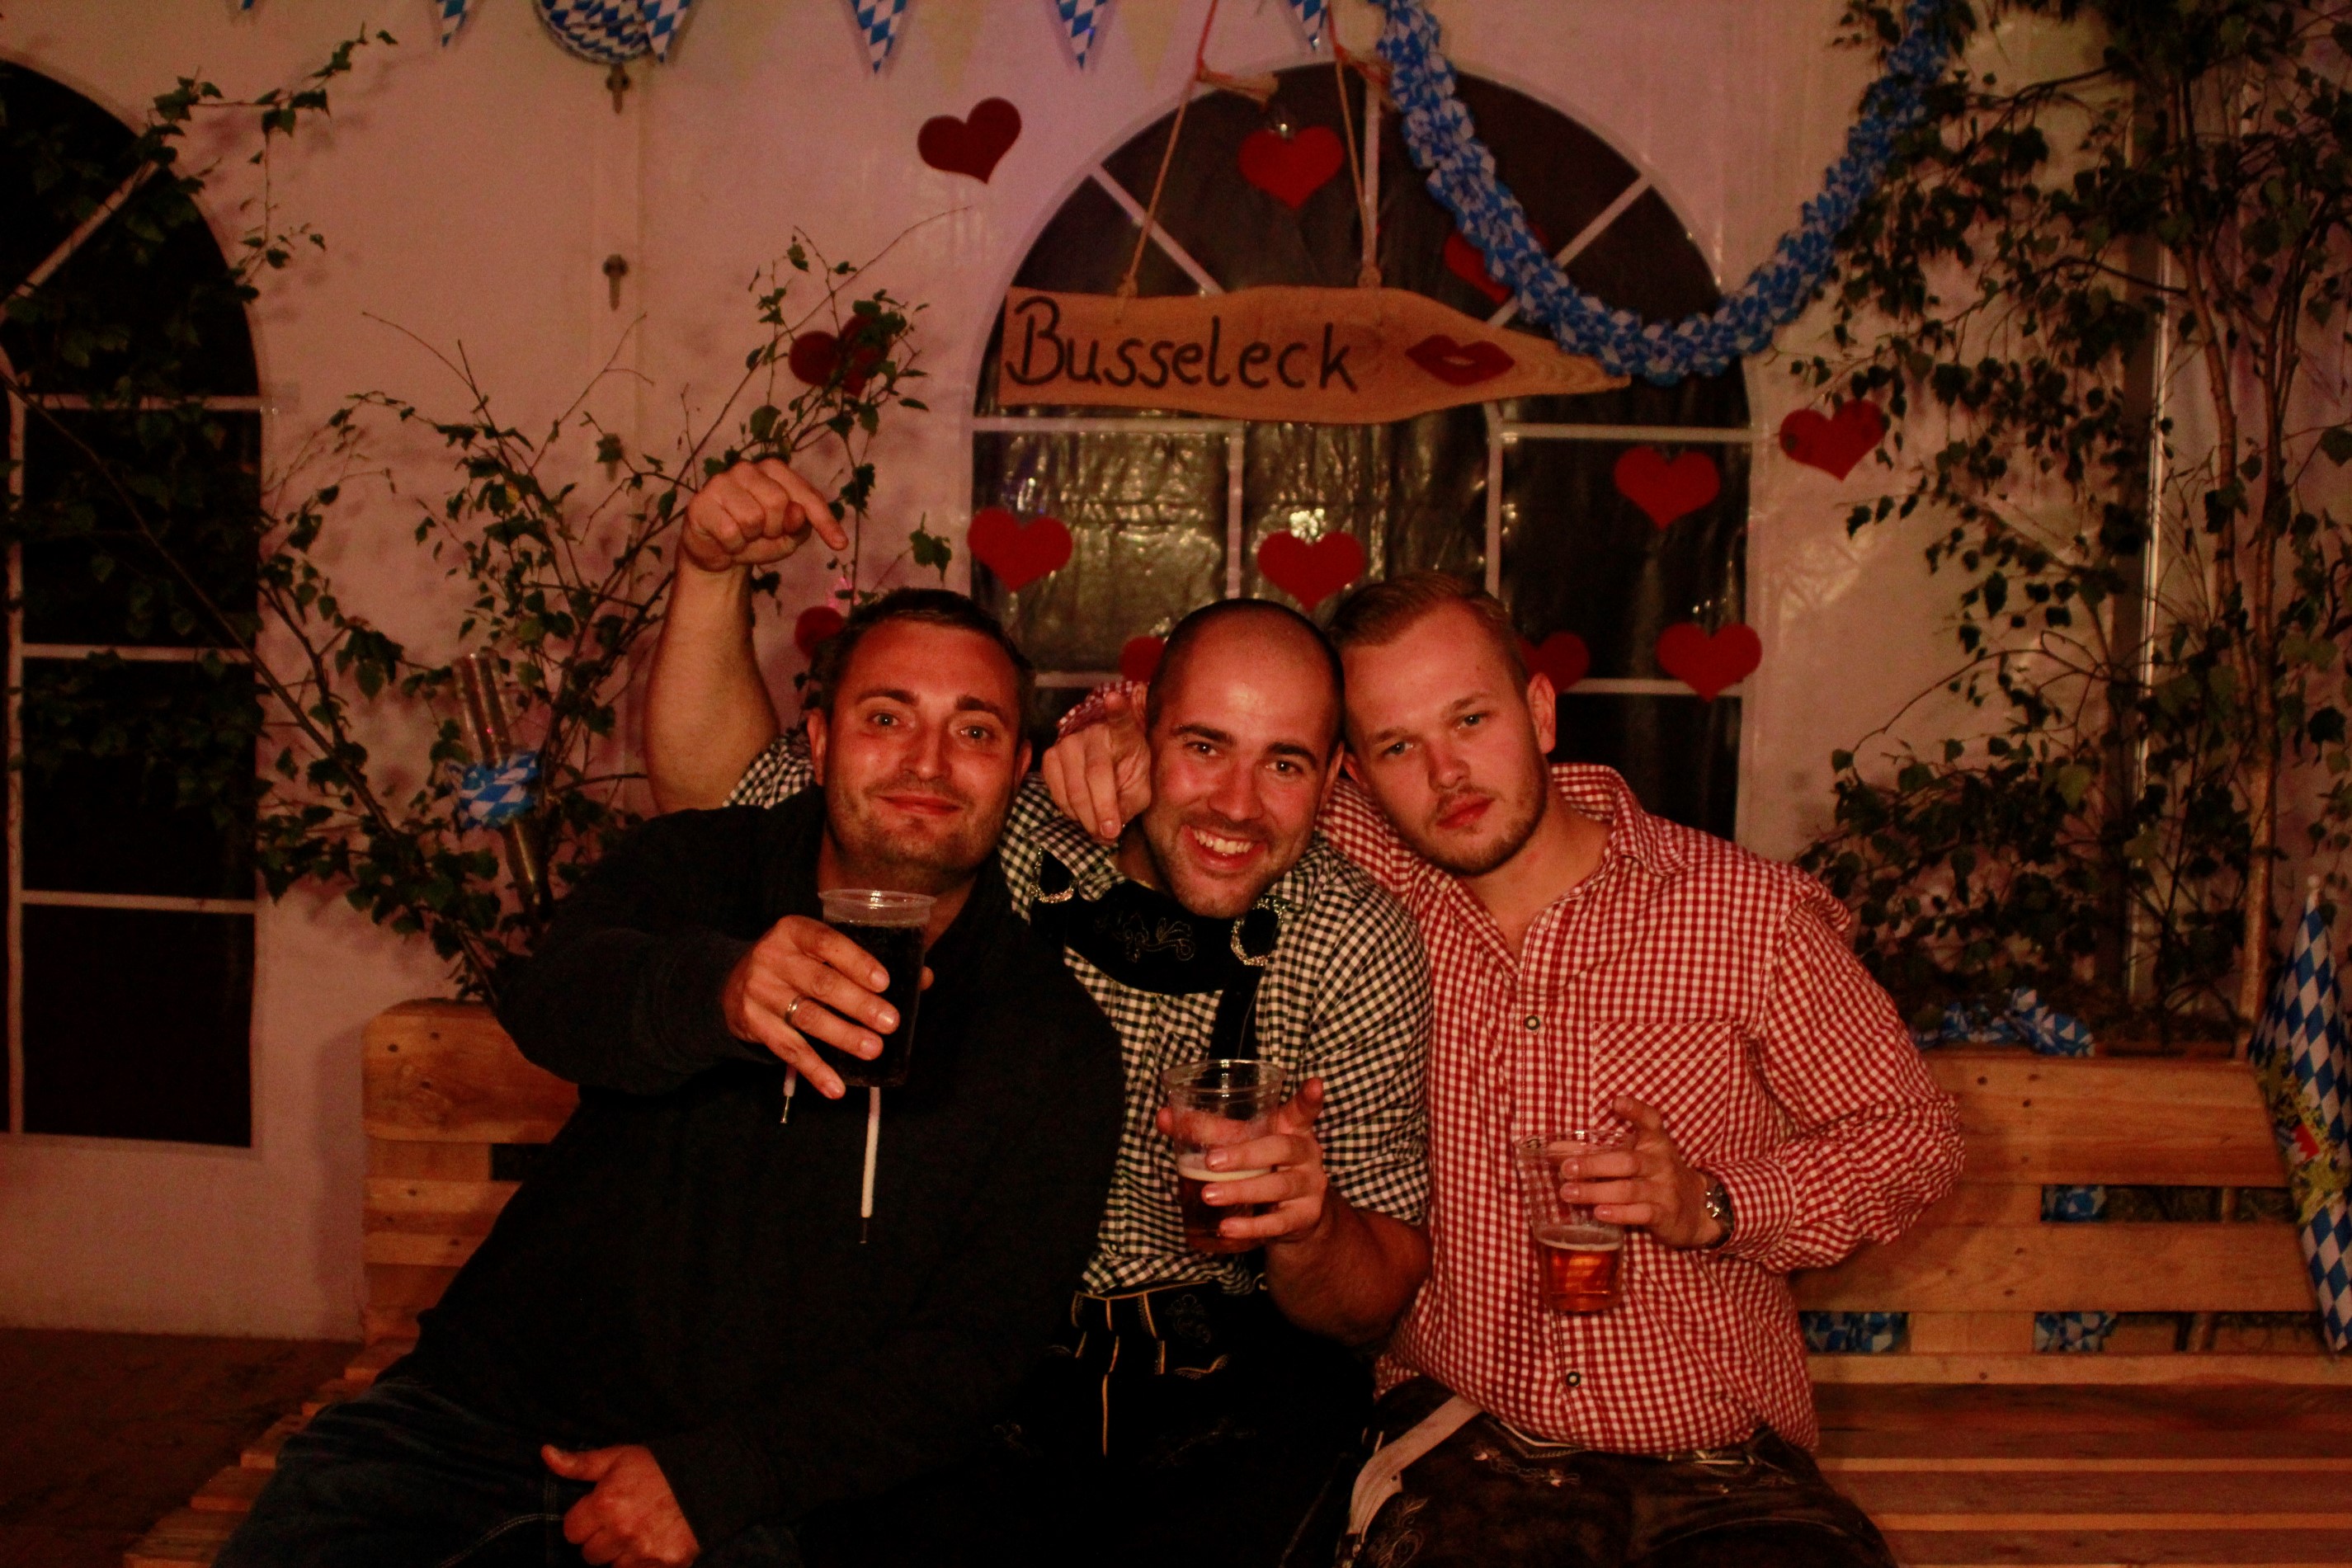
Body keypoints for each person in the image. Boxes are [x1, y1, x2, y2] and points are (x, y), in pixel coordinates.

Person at [1044, 571, 1967, 1568]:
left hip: (1722, 1465)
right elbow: (1225, 760)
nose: (1446, 774)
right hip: (1463, 1445)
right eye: (1398, 746)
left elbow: (1913, 1137)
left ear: (1539, 708)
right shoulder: (1369, 875)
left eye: (1470, 719)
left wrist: (1715, 1201)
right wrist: (1113, 729)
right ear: (1355, 771)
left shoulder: (1746, 914)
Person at [221, 589, 1124, 1568]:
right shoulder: (696, 866)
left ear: (1017, 770)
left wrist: (718, 1478)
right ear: (820, 740)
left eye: (975, 729)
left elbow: (976, 1349)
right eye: (885, 716)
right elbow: (553, 996)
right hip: (470, 1422)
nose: (928, 761)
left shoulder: (1050, 1037)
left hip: (750, 1490)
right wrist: (718, 991)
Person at [643, 461, 1433, 1568]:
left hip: (1233, 1392)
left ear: (1335, 775)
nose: (1235, 805)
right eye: (1203, 745)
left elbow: (1372, 1302)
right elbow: (715, 804)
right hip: (968, 1369)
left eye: (1285, 763)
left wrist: (1310, 1227)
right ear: (1143, 730)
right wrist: (707, 574)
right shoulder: (1004, 828)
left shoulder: (1354, 939)